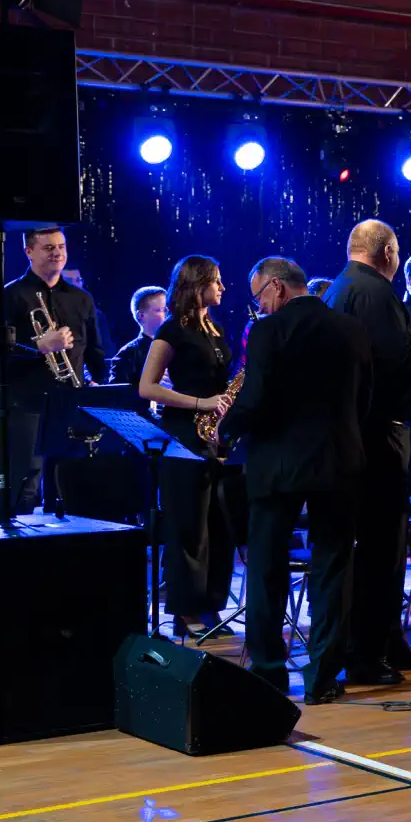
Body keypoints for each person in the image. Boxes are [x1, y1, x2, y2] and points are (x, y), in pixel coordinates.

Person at [220, 257, 371, 705]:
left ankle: (268, 672)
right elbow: (364, 400)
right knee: (333, 568)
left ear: (277, 288)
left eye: (260, 296)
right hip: (339, 461)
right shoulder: (352, 330)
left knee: (267, 569)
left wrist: (227, 427)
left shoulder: (268, 332)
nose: (260, 306)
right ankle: (323, 677)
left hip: (279, 464)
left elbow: (257, 398)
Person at [325, 221, 411, 684]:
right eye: (398, 253)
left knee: (381, 547)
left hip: (354, 434)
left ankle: (387, 642)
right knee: (382, 550)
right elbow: (391, 361)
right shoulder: (378, 294)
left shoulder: (339, 289)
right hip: (380, 435)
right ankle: (368, 655)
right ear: (387, 252)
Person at [137, 256, 238, 638]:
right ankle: (185, 610)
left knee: (217, 525)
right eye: (216, 282)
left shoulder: (215, 328)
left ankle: (211, 605)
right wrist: (201, 403)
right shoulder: (172, 331)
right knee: (188, 528)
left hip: (214, 436)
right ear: (198, 286)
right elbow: (147, 387)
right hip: (183, 435)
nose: (222, 288)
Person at [0, 226, 108, 513]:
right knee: (26, 486)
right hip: (27, 405)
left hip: (70, 403)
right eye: (49, 248)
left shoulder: (81, 299)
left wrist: (101, 386)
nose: (58, 253)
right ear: (29, 252)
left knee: (68, 487)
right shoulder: (10, 295)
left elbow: (96, 352)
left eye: (61, 246)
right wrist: (39, 346)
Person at [108, 286, 167, 387]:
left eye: (168, 309)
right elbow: (116, 396)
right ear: (141, 315)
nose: (168, 313)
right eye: (160, 310)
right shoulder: (128, 355)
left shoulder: (179, 346)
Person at [62, 267, 116, 354]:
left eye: (78, 280)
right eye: (69, 281)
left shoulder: (97, 315)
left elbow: (106, 351)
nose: (75, 285)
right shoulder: (50, 312)